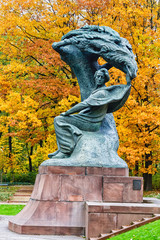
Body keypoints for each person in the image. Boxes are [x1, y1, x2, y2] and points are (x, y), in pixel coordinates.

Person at [49, 68, 131, 159]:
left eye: (101, 77)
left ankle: (65, 150)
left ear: (105, 79)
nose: (99, 79)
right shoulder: (98, 91)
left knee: (59, 119)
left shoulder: (101, 93)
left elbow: (83, 104)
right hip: (87, 119)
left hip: (91, 123)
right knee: (61, 120)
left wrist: (67, 112)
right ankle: (64, 147)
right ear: (95, 78)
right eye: (97, 77)